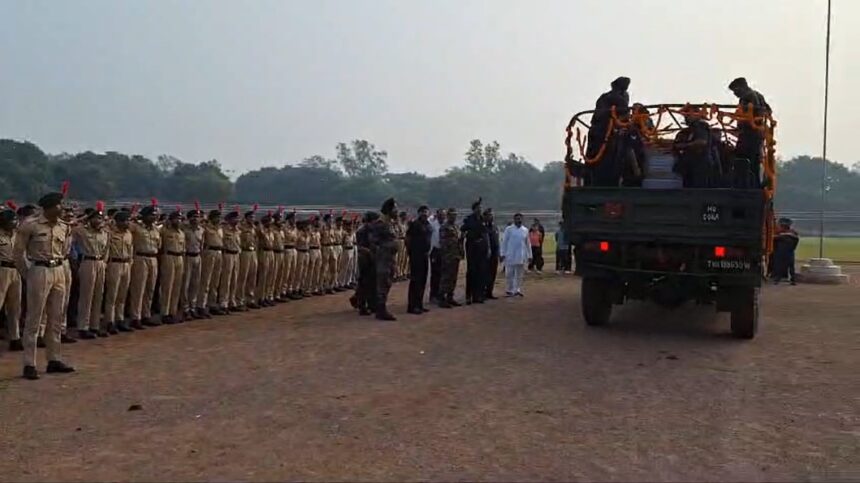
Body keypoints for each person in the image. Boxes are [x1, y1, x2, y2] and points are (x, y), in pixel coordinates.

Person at [14, 192, 75, 380]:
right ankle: (29, 363)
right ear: (49, 207)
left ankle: (54, 359)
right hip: (39, 270)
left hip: (58, 269)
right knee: (34, 319)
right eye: (59, 205)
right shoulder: (30, 225)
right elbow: (18, 253)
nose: (63, 208)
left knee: (56, 317)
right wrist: (29, 274)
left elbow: (65, 250)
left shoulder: (64, 227)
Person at [72, 202, 109, 338]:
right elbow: (70, 228)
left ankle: (94, 325)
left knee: (98, 296)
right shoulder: (82, 231)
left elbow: (107, 250)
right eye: (95, 218)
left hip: (100, 263)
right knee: (86, 296)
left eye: (100, 218)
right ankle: (83, 326)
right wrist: (82, 219)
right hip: (88, 261)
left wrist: (104, 262)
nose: (98, 221)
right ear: (90, 219)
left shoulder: (105, 233)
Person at [729, 77, 771, 185]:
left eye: (735, 91)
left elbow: (745, 114)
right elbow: (768, 110)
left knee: (741, 158)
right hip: (758, 132)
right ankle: (755, 183)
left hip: (749, 133)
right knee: (754, 160)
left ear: (742, 87)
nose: (735, 94)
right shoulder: (759, 95)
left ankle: (742, 184)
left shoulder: (747, 97)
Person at [128, 204, 161, 329]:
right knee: (139, 288)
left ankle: (146, 314)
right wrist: (133, 217)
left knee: (149, 289)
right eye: (151, 215)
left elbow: (159, 244)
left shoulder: (156, 229)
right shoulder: (136, 227)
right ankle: (135, 317)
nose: (154, 217)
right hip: (140, 258)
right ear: (145, 216)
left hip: (153, 258)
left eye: (155, 215)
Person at [673, 106, 722, 188]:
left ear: (697, 114)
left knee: (698, 191)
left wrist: (685, 145)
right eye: (685, 116)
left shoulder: (701, 126)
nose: (686, 118)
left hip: (700, 165)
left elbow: (702, 142)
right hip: (691, 166)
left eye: (688, 115)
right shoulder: (688, 131)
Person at [103, 210, 134, 333]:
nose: (127, 223)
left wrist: (130, 262)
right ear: (117, 222)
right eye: (124, 221)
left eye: (128, 220)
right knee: (112, 295)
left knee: (122, 294)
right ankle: (109, 321)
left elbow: (130, 248)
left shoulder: (129, 234)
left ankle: (119, 319)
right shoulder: (109, 233)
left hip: (126, 263)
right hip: (114, 263)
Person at [369, 199, 399, 320]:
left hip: (389, 258)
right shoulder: (380, 224)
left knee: (387, 283)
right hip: (383, 258)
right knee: (383, 283)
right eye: (395, 209)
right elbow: (373, 242)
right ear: (389, 210)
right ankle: (380, 310)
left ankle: (381, 307)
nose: (397, 211)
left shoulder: (389, 223)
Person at [0, 206, 22, 351]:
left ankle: (15, 337)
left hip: (16, 270)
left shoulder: (17, 235)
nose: (14, 223)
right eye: (11, 220)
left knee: (15, 306)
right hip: (2, 269)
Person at [158, 209, 186, 325]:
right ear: (171, 220)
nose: (178, 221)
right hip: (168, 256)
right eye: (176, 219)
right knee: (167, 286)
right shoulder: (164, 231)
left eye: (180, 219)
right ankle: (164, 312)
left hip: (179, 257)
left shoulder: (181, 233)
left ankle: (172, 312)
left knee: (176, 286)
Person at [461, 198, 489, 304]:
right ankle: (469, 295)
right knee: (471, 271)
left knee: (481, 271)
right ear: (473, 209)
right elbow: (463, 230)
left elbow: (485, 234)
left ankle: (478, 295)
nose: (479, 210)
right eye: (477, 208)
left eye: (480, 208)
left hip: (481, 248)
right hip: (472, 247)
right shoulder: (469, 219)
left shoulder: (483, 219)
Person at [405, 205, 433, 314]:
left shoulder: (428, 225)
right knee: (415, 281)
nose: (425, 214)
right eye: (422, 212)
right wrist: (411, 253)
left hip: (425, 255)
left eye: (426, 212)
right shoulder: (414, 224)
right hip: (416, 256)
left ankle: (419, 304)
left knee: (423, 280)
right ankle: (412, 306)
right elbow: (408, 239)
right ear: (419, 213)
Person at [199, 209, 224, 317]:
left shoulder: (220, 228)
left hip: (219, 252)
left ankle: (212, 303)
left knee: (215, 280)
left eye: (219, 217)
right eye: (216, 217)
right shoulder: (205, 228)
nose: (218, 219)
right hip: (209, 252)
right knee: (206, 280)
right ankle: (202, 305)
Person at [352, 212, 378, 316]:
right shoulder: (362, 231)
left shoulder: (373, 230)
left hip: (372, 258)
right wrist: (369, 251)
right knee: (364, 283)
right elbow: (359, 246)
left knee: (372, 283)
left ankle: (371, 304)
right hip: (364, 259)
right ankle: (362, 306)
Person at [501, 213, 531, 297]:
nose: (519, 220)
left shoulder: (525, 230)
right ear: (514, 220)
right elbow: (504, 242)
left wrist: (529, 255)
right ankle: (509, 289)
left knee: (519, 274)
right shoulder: (509, 229)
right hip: (510, 254)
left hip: (521, 255)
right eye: (517, 219)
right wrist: (502, 253)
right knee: (509, 273)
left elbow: (528, 243)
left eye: (520, 219)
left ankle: (517, 289)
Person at [437, 208, 463, 308]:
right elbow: (443, 242)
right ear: (448, 216)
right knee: (445, 278)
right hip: (448, 256)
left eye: (455, 215)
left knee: (453, 278)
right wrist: (446, 254)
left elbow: (457, 239)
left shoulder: (456, 226)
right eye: (452, 215)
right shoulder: (444, 227)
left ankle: (450, 296)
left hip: (455, 255)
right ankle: (441, 298)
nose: (454, 217)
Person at [182, 208, 204, 319]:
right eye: (194, 217)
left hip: (197, 257)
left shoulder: (201, 230)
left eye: (198, 217)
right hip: (187, 257)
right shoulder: (184, 229)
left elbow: (202, 245)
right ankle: (185, 308)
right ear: (189, 218)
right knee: (186, 284)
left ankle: (193, 307)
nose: (196, 219)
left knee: (195, 284)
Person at [220, 210, 242, 312]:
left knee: (234, 280)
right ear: (229, 220)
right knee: (226, 280)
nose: (237, 220)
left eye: (237, 218)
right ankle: (223, 303)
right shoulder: (224, 230)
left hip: (236, 255)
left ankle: (232, 301)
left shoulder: (238, 230)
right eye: (235, 218)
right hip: (227, 254)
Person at [238, 208, 259, 309]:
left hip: (253, 252)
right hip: (245, 252)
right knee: (243, 277)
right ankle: (240, 300)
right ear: (246, 218)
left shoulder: (254, 228)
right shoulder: (241, 227)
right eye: (250, 217)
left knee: (252, 276)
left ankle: (250, 298)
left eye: (253, 217)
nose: (252, 219)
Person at [772, 218, 799, 285]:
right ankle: (778, 278)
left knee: (790, 266)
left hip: (788, 251)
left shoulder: (791, 233)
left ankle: (792, 279)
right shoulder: (780, 232)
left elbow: (796, 240)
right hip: (783, 251)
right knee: (780, 265)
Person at [256, 214, 275, 306]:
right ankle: (260, 297)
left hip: (271, 253)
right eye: (269, 222)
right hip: (264, 253)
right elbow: (259, 232)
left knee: (270, 276)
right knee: (263, 276)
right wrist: (261, 224)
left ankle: (267, 296)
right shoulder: (261, 231)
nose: (271, 223)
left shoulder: (270, 231)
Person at [483, 208, 500, 300]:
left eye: (492, 215)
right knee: (485, 273)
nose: (491, 217)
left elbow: (497, 240)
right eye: (489, 215)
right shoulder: (483, 227)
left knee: (493, 273)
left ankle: (490, 291)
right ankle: (483, 291)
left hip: (494, 253)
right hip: (486, 254)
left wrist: (499, 253)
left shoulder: (495, 227)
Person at [428, 208, 444, 302]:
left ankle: (440, 294)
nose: (442, 216)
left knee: (442, 274)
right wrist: (431, 216)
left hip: (444, 251)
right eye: (440, 214)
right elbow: (427, 221)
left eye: (443, 214)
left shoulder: (445, 225)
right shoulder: (433, 224)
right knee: (435, 274)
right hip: (435, 250)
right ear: (437, 215)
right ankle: (433, 295)